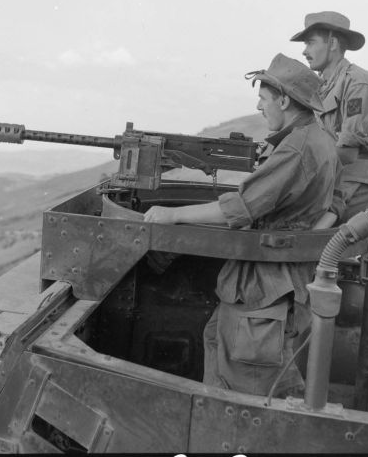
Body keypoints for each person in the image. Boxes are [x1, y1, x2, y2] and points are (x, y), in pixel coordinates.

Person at [144, 53, 338, 397]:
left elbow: (241, 208)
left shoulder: (296, 148)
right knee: (218, 347)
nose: (260, 107)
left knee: (247, 394)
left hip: (265, 291)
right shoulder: (317, 138)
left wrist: (172, 214)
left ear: (284, 100)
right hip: (269, 286)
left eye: (264, 99)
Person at [290, 11, 368, 227]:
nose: (305, 51)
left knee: (314, 234)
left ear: (332, 43)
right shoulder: (325, 84)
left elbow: (348, 153)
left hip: (359, 176)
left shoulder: (357, 85)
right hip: (338, 173)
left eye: (311, 43)